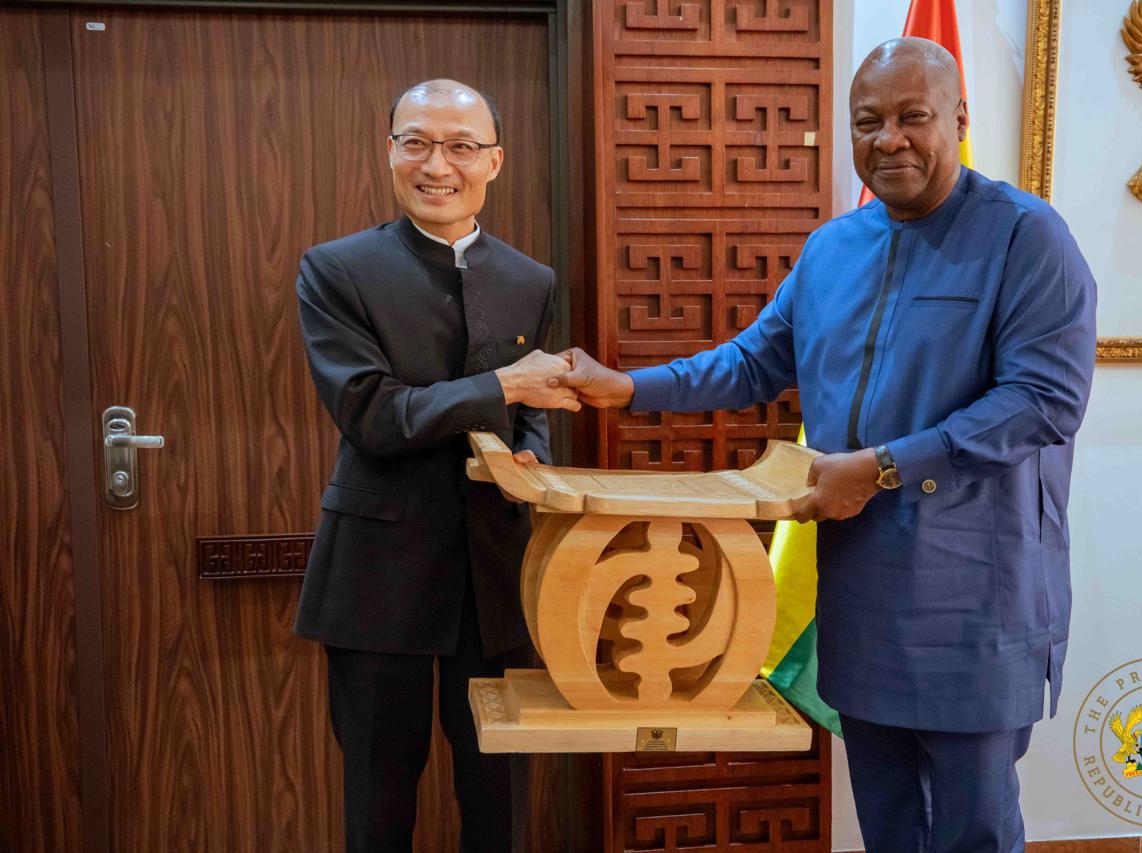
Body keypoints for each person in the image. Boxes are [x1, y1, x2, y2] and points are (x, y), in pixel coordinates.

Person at [555, 38, 1097, 852]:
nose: (889, 139)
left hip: (976, 597)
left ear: (959, 118)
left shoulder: (1027, 237)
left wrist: (882, 468)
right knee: (888, 822)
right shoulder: (832, 249)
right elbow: (752, 362)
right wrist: (625, 388)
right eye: (867, 121)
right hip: (861, 590)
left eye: (913, 116)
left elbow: (1043, 402)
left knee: (973, 829)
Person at [293, 78, 579, 852]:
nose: (437, 165)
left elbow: (529, 413)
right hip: (376, 568)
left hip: (496, 573)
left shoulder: (531, 279)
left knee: (499, 796)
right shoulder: (335, 269)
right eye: (415, 142)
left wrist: (532, 450)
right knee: (378, 797)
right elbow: (371, 415)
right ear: (390, 151)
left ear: (495, 161)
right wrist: (503, 385)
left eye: (460, 146)